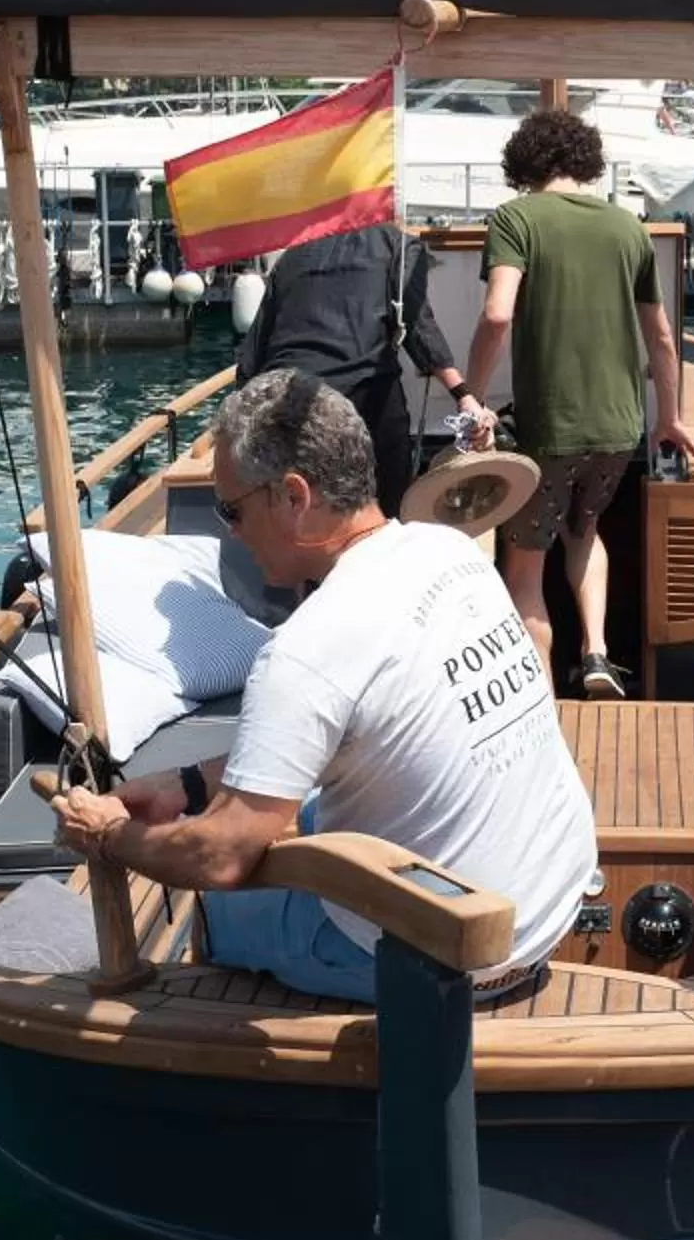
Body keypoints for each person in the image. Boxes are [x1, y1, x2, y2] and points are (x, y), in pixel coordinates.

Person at [53, 370, 596, 1001]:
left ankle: (229, 1040)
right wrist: (187, 785)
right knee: (308, 814)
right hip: (545, 911)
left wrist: (109, 836)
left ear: (293, 496)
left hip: (448, 962)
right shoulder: (448, 552)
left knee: (221, 905)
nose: (229, 531)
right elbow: (350, 737)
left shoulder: (303, 652)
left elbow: (219, 857)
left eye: (232, 510)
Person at [463, 105, 694, 698]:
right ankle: (596, 651)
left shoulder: (516, 218)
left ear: (523, 163)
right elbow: (662, 338)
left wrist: (472, 397)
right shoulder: (628, 228)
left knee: (524, 561)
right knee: (584, 527)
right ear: (585, 161)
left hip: (550, 429)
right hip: (620, 428)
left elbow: (497, 314)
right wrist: (670, 418)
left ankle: (541, 698)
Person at [234, 221, 492, 514]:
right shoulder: (399, 247)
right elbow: (419, 328)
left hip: (285, 397)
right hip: (362, 396)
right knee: (385, 503)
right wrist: (463, 395)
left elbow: (252, 355)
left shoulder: (293, 254)